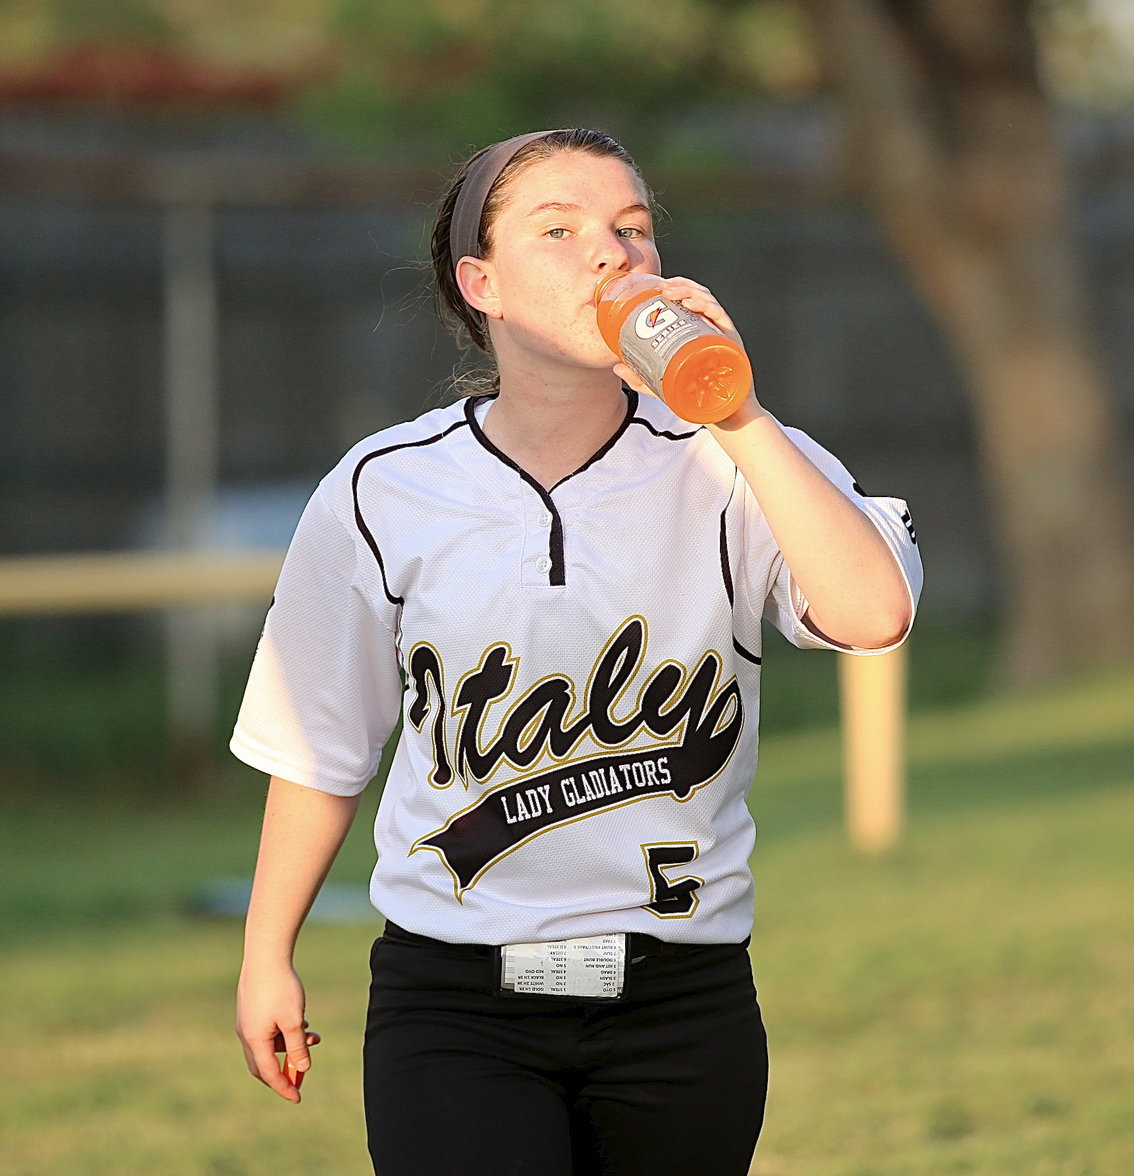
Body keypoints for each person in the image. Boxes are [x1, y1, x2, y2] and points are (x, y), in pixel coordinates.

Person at [232, 127, 922, 1176]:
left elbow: (873, 615)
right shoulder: (384, 486)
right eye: (558, 230)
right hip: (455, 1001)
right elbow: (321, 748)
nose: (609, 252)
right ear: (482, 284)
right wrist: (264, 957)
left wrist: (733, 413)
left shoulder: (733, 458)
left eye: (632, 230)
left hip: (681, 1001)